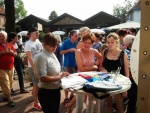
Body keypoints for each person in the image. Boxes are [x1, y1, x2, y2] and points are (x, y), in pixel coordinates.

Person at [65, 33, 102, 113]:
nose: (87, 44)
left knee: (90, 103)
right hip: (80, 79)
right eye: (85, 42)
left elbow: (100, 57)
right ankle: (69, 107)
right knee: (79, 106)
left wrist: (97, 64)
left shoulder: (94, 51)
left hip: (92, 79)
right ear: (82, 42)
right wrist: (94, 67)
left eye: (89, 43)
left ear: (92, 44)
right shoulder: (78, 52)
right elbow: (81, 69)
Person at [34, 33, 69, 113]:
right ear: (44, 45)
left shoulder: (51, 54)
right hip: (47, 92)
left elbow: (55, 71)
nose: (55, 47)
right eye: (52, 46)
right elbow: (42, 78)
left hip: (55, 90)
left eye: (56, 45)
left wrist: (62, 74)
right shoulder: (41, 57)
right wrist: (60, 77)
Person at [99, 32, 129, 113]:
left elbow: (127, 73)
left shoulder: (123, 54)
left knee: (119, 106)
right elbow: (101, 66)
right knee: (108, 105)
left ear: (117, 42)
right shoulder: (105, 52)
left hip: (119, 83)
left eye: (112, 42)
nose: (110, 44)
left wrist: (125, 89)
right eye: (108, 42)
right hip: (106, 82)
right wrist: (103, 70)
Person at [24, 27, 43, 110]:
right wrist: (35, 68)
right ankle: (36, 102)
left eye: (38, 32)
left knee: (39, 84)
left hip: (40, 65)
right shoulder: (28, 44)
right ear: (31, 34)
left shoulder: (38, 41)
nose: (38, 34)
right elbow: (29, 57)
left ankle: (35, 94)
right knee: (36, 84)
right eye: (36, 32)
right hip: (33, 67)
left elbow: (42, 52)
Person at [60, 30, 78, 104]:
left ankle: (72, 95)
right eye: (76, 36)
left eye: (77, 36)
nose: (77, 37)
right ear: (71, 36)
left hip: (75, 64)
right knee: (66, 81)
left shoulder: (77, 43)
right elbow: (61, 52)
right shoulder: (66, 42)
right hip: (67, 64)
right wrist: (69, 50)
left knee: (74, 81)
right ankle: (66, 97)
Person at [0, 31, 17, 107]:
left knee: (10, 84)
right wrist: (3, 52)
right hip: (1, 68)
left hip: (11, 67)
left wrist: (13, 53)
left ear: (6, 37)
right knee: (5, 84)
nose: (1, 38)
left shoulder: (10, 45)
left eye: (3, 36)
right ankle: (10, 100)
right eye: (0, 36)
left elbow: (16, 53)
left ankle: (5, 96)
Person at [123, 35, 137, 113]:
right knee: (132, 97)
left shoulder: (132, 51)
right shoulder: (128, 52)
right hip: (132, 77)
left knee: (132, 96)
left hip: (133, 77)